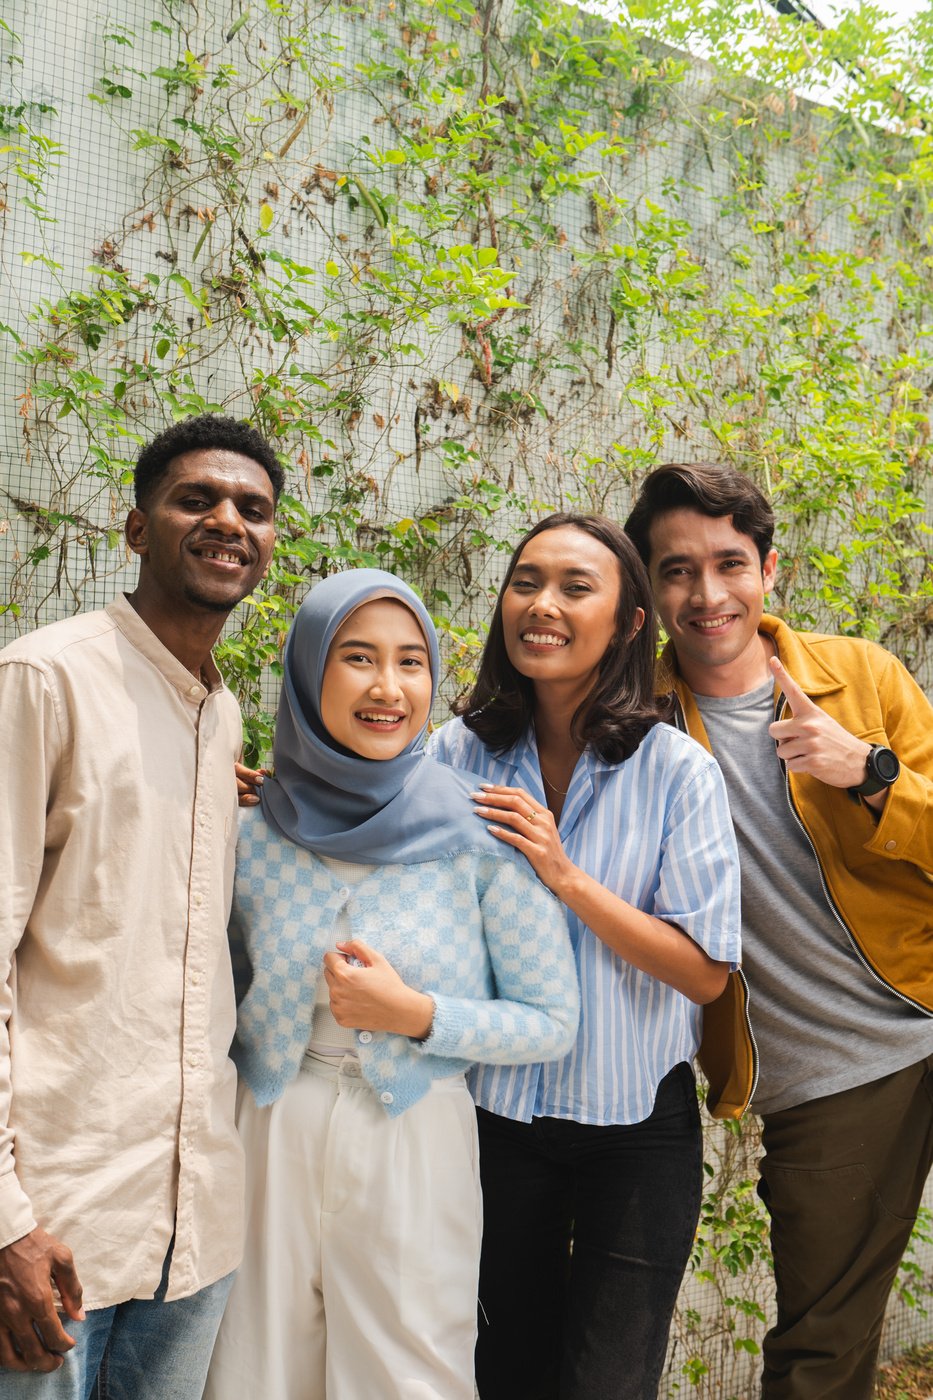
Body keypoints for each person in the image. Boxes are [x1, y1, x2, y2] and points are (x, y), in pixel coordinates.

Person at [205, 568, 579, 1400]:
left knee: (409, 1376)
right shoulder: (248, 828)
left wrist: (417, 1015)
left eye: (411, 663)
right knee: (252, 1373)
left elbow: (551, 1019)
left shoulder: (484, 830)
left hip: (411, 1131)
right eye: (358, 659)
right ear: (309, 673)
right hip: (266, 1125)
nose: (388, 687)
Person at [624, 460, 933, 1400]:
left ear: (767, 570)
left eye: (727, 563)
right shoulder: (631, 724)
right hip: (824, 1078)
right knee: (820, 1351)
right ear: (648, 590)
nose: (706, 593)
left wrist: (868, 769)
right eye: (676, 570)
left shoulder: (858, 677)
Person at [429, 514, 742, 1400]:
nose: (542, 605)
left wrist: (564, 875)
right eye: (525, 582)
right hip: (494, 1121)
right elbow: (376, 859)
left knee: (608, 1381)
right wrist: (267, 795)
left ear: (629, 621)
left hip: (636, 1130)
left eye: (575, 587)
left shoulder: (677, 770)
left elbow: (703, 971)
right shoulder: (455, 755)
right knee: (500, 1370)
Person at [0, 414, 281, 1397]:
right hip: (56, 1224)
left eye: (252, 507)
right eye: (195, 498)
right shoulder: (46, 680)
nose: (226, 521)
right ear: (136, 526)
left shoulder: (222, 711)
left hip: (193, 1227)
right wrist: (5, 1221)